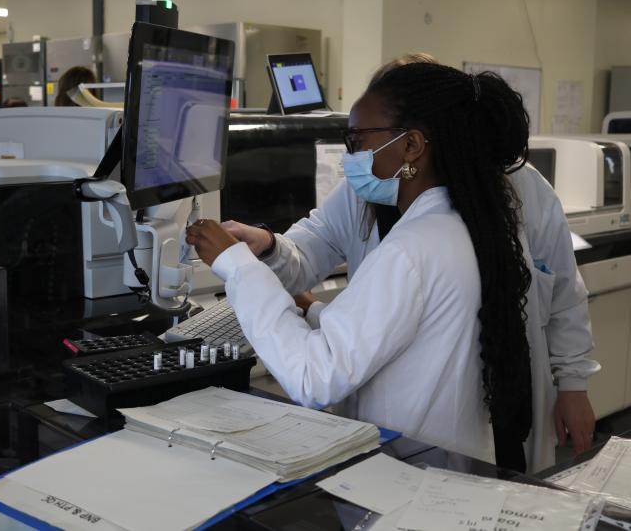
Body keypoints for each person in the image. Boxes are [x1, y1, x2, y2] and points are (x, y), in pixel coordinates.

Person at [188, 62, 535, 471]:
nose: (350, 158)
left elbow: (312, 378)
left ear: (412, 146)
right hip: (443, 464)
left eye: (357, 140)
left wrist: (237, 266)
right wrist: (312, 309)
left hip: (406, 478)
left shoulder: (410, 249)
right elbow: (402, 334)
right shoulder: (460, 226)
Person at [292, 53, 598, 472]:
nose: (357, 154)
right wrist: (268, 251)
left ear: (417, 139)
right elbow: (313, 245)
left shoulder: (521, 191)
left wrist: (573, 384)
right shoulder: (365, 191)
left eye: (363, 138)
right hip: (412, 417)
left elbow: (563, 292)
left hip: (503, 395)